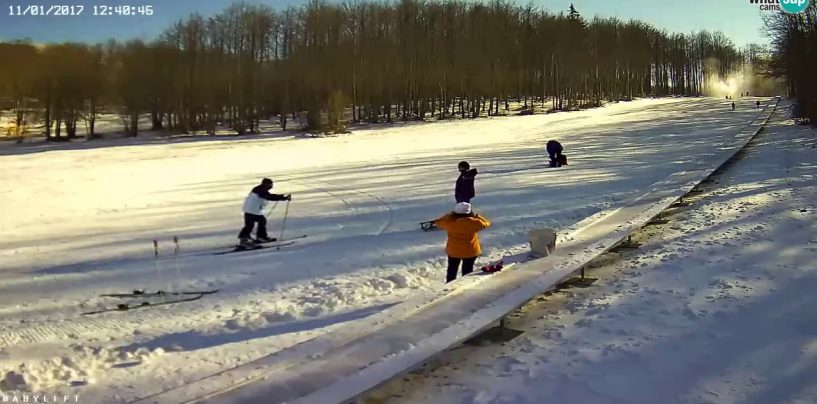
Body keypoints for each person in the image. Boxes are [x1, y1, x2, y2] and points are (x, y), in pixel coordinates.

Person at [434, 202, 491, 283]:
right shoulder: (476, 223)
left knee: (452, 269)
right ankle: (465, 284)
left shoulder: (450, 224)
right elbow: (486, 223)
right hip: (471, 251)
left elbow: (438, 222)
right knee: (467, 270)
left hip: (454, 251)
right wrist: (477, 216)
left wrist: (450, 215)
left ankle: (450, 284)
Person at [238, 178, 291, 248]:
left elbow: (268, 195)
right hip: (252, 210)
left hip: (252, 209)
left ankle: (260, 237)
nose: (271, 186)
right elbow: (269, 196)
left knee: (261, 221)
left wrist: (281, 197)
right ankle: (244, 241)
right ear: (266, 184)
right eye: (270, 185)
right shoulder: (260, 190)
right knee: (250, 225)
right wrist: (283, 198)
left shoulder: (260, 189)